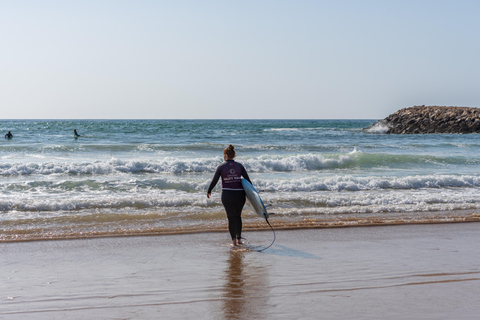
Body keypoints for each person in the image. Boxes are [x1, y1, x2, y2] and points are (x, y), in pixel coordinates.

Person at [207, 145, 252, 247]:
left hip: (227, 194)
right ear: (233, 155)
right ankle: (239, 240)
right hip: (240, 195)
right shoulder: (240, 166)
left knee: (231, 218)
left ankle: (234, 242)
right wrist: (253, 196)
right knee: (238, 216)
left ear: (226, 155)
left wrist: (209, 190)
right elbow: (248, 181)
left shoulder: (221, 167)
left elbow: (214, 180)